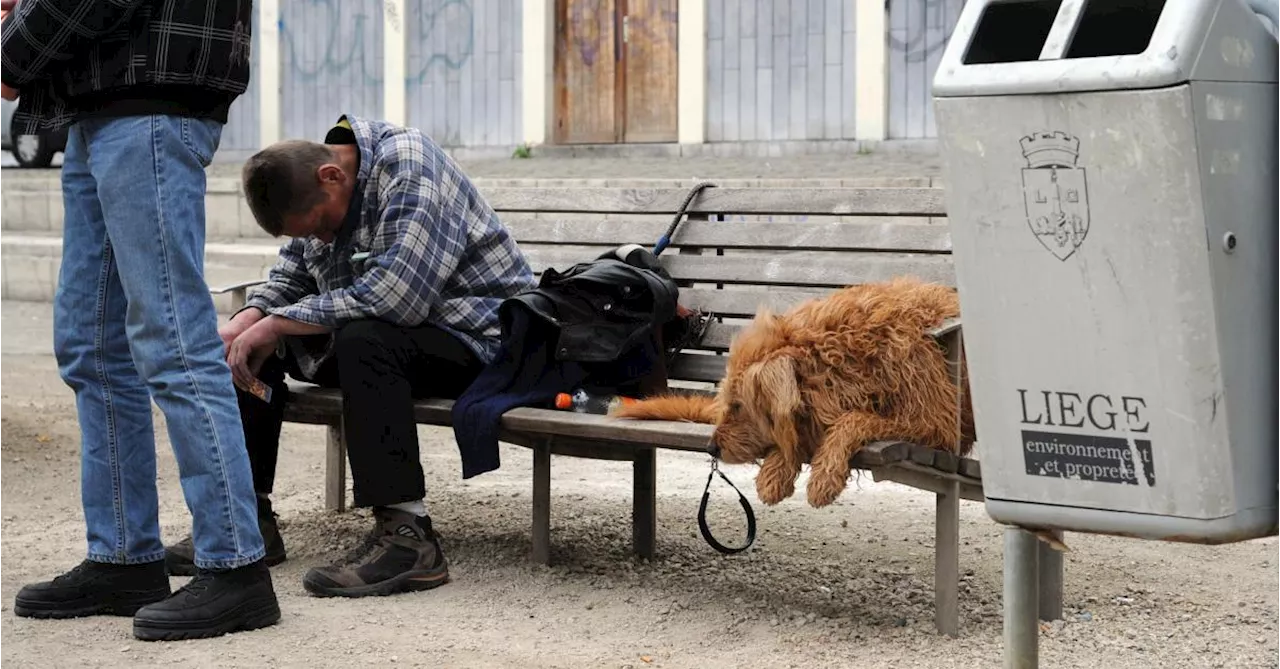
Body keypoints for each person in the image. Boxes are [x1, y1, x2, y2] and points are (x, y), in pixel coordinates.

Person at [161, 114, 536, 598]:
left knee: (364, 338)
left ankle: (409, 540)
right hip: (399, 337)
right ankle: (242, 521)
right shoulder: (314, 181)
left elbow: (398, 300)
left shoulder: (410, 168)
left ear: (332, 176)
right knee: (249, 347)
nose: (318, 239)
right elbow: (292, 280)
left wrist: (276, 322)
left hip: (476, 340)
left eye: (320, 226)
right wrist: (247, 321)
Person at [0, 0, 280, 641]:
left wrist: (12, 48)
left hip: (152, 109)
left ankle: (236, 567)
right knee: (90, 348)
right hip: (101, 111)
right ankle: (125, 556)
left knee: (173, 341)